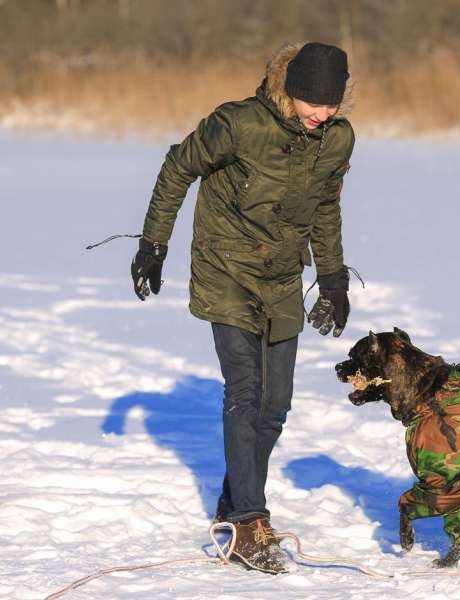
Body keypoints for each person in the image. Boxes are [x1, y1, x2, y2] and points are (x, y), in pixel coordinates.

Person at [130, 41, 355, 573]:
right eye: (310, 102)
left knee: (275, 405)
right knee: (245, 393)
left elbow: (325, 208)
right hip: (225, 267)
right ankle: (251, 523)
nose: (320, 114)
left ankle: (233, 509)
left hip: (280, 276)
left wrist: (332, 278)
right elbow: (178, 166)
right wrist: (153, 243)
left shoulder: (336, 140)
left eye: (330, 104)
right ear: (289, 89)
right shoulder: (239, 124)